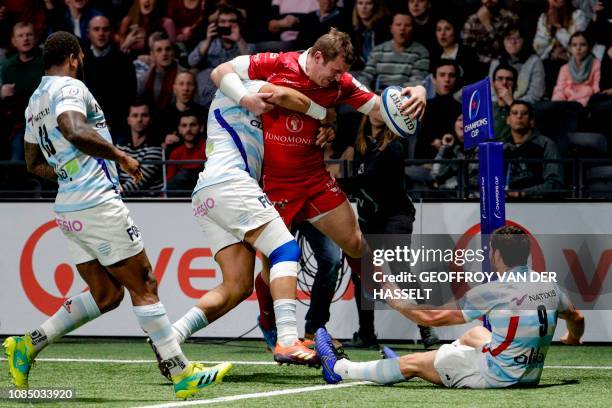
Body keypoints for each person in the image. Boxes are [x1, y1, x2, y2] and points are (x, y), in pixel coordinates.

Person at [4, 31, 230, 399]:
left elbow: (33, 163)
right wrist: (121, 156)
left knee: (106, 294)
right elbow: (73, 128)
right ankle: (180, 371)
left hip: (68, 206)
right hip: (96, 203)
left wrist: (67, 174)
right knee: (145, 284)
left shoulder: (34, 102)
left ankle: (28, 345)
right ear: (75, 56)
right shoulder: (69, 87)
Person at [209, 28, 427, 354]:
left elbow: (381, 110)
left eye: (344, 72)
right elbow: (219, 71)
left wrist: (420, 91)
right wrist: (245, 98)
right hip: (274, 185)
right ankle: (273, 326)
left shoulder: (342, 83)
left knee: (350, 245)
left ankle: (325, 328)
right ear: (317, 56)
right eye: (335, 70)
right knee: (275, 271)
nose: (340, 78)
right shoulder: (277, 63)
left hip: (314, 179)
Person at [147, 78, 338, 380]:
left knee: (236, 287)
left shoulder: (240, 101)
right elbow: (290, 96)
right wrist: (326, 115)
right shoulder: (244, 83)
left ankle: (169, 339)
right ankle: (287, 340)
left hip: (207, 192)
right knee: (286, 249)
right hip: (231, 183)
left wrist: (323, 127)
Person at [316, 225, 585, 389]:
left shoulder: (493, 291)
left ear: (497, 256)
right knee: (474, 335)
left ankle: (340, 368)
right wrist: (572, 338)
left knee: (411, 363)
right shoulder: (550, 287)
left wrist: (388, 293)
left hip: (497, 376)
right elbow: (577, 317)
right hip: (530, 375)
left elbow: (429, 317)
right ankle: (441, 358)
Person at [338, 114, 439, 349]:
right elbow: (363, 185)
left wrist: (338, 184)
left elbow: (373, 179)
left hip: (396, 216)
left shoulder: (394, 146)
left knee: (400, 270)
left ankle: (428, 330)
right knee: (361, 273)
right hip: (369, 218)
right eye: (373, 108)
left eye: (383, 110)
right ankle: (366, 334)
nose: (377, 114)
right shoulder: (361, 146)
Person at [84, 15, 137, 137]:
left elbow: (129, 97)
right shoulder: (80, 62)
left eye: (105, 29)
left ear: (112, 33)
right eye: (96, 29)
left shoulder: (124, 62)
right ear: (88, 33)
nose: (101, 33)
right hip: (87, 127)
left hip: (118, 127)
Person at [1, 22, 44, 161]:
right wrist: (1, 94)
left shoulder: (47, 62)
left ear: (36, 38)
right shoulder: (8, 67)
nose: (25, 39)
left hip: (48, 122)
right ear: (14, 41)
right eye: (21, 35)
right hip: (20, 124)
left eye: (29, 35)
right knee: (17, 155)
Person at [504, 101, 564, 198]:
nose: (519, 117)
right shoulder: (501, 147)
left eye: (524, 113)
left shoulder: (547, 144)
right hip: (505, 204)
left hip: (537, 204)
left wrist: (521, 194)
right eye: (514, 113)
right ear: (508, 120)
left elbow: (555, 184)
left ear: (532, 121)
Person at [359, 12, 430, 92]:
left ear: (413, 29)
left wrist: (393, 95)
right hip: (378, 97)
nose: (402, 28)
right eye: (398, 24)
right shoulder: (378, 50)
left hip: (405, 97)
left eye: (407, 25)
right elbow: (365, 77)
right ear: (391, 28)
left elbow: (417, 81)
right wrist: (369, 95)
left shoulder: (420, 52)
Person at [533, 0, 588, 96]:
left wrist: (558, 27)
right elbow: (538, 47)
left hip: (573, 60)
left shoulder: (578, 15)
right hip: (549, 60)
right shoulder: (544, 17)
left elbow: (577, 44)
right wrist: (550, 28)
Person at [416, 59, 462, 160]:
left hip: (454, 164)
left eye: (451, 75)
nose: (447, 79)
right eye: (442, 75)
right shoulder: (422, 106)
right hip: (424, 163)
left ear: (456, 79)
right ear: (433, 79)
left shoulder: (463, 109)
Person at [489, 26, 546, 104]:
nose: (513, 42)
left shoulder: (534, 61)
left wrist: (513, 104)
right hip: (499, 105)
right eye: (508, 38)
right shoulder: (496, 63)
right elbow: (491, 93)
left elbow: (535, 95)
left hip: (526, 108)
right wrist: (502, 103)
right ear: (503, 42)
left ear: (524, 41)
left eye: (517, 38)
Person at [117, 101, 163, 196]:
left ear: (150, 119)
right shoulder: (121, 146)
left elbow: (137, 181)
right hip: (123, 200)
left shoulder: (156, 149)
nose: (139, 119)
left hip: (147, 203)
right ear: (128, 120)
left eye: (144, 115)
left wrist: (110, 195)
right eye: (135, 115)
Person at [461, 0, 519, 65]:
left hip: (505, 64)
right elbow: (467, 50)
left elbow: (504, 45)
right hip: (480, 65)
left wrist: (487, 24)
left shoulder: (509, 17)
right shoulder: (472, 20)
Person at [552, 31, 600, 107]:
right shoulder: (565, 68)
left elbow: (597, 90)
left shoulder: (596, 64)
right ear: (570, 48)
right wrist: (558, 106)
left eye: (583, 45)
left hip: (588, 106)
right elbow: (559, 91)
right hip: (567, 106)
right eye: (574, 45)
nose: (578, 48)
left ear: (589, 47)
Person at [166, 111, 206, 196]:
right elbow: (169, 186)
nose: (188, 129)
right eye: (184, 125)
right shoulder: (175, 153)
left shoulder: (209, 148)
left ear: (201, 128)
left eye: (193, 125)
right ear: (179, 129)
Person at [137, 31, 179, 113]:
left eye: (168, 49)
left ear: (173, 52)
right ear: (152, 55)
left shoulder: (183, 76)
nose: (164, 53)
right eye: (159, 50)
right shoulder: (144, 79)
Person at [349, 0, 391, 71]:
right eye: (360, 3)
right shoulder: (353, 31)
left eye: (368, 3)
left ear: (376, 6)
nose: (364, 7)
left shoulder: (385, 29)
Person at [492, 63, 518, 142]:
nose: (504, 82)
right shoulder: (485, 109)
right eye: (500, 78)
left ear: (516, 85)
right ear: (493, 84)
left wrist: (510, 103)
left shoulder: (525, 108)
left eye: (509, 79)